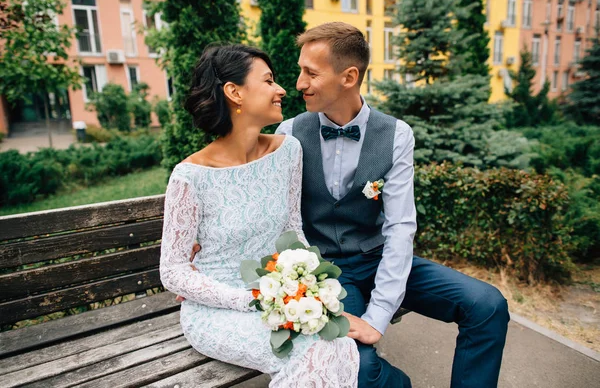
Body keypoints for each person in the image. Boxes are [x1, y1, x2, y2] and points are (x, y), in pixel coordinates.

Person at [275, 22, 510, 388]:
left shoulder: (397, 134)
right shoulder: (288, 133)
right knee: (361, 369)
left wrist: (379, 313)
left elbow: (401, 227)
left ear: (349, 77)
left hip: (379, 255)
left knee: (487, 305)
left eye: (310, 73)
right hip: (328, 273)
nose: (299, 83)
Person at [159, 44, 359, 388]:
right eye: (268, 81)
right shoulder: (189, 177)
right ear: (235, 93)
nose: (282, 89)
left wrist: (309, 286)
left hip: (281, 300)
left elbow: (293, 230)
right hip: (217, 311)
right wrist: (251, 300)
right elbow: (173, 271)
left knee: (338, 343)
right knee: (311, 353)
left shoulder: (288, 151)